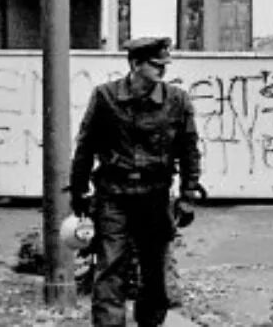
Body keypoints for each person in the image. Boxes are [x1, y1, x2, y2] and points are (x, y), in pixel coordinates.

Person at [70, 37, 202, 327]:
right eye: (155, 65)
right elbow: (85, 146)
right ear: (134, 64)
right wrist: (79, 192)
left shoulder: (177, 100)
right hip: (113, 195)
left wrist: (188, 194)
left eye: (164, 65)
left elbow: (189, 149)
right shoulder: (105, 97)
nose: (162, 71)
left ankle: (150, 322)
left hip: (154, 196)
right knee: (110, 267)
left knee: (155, 273)